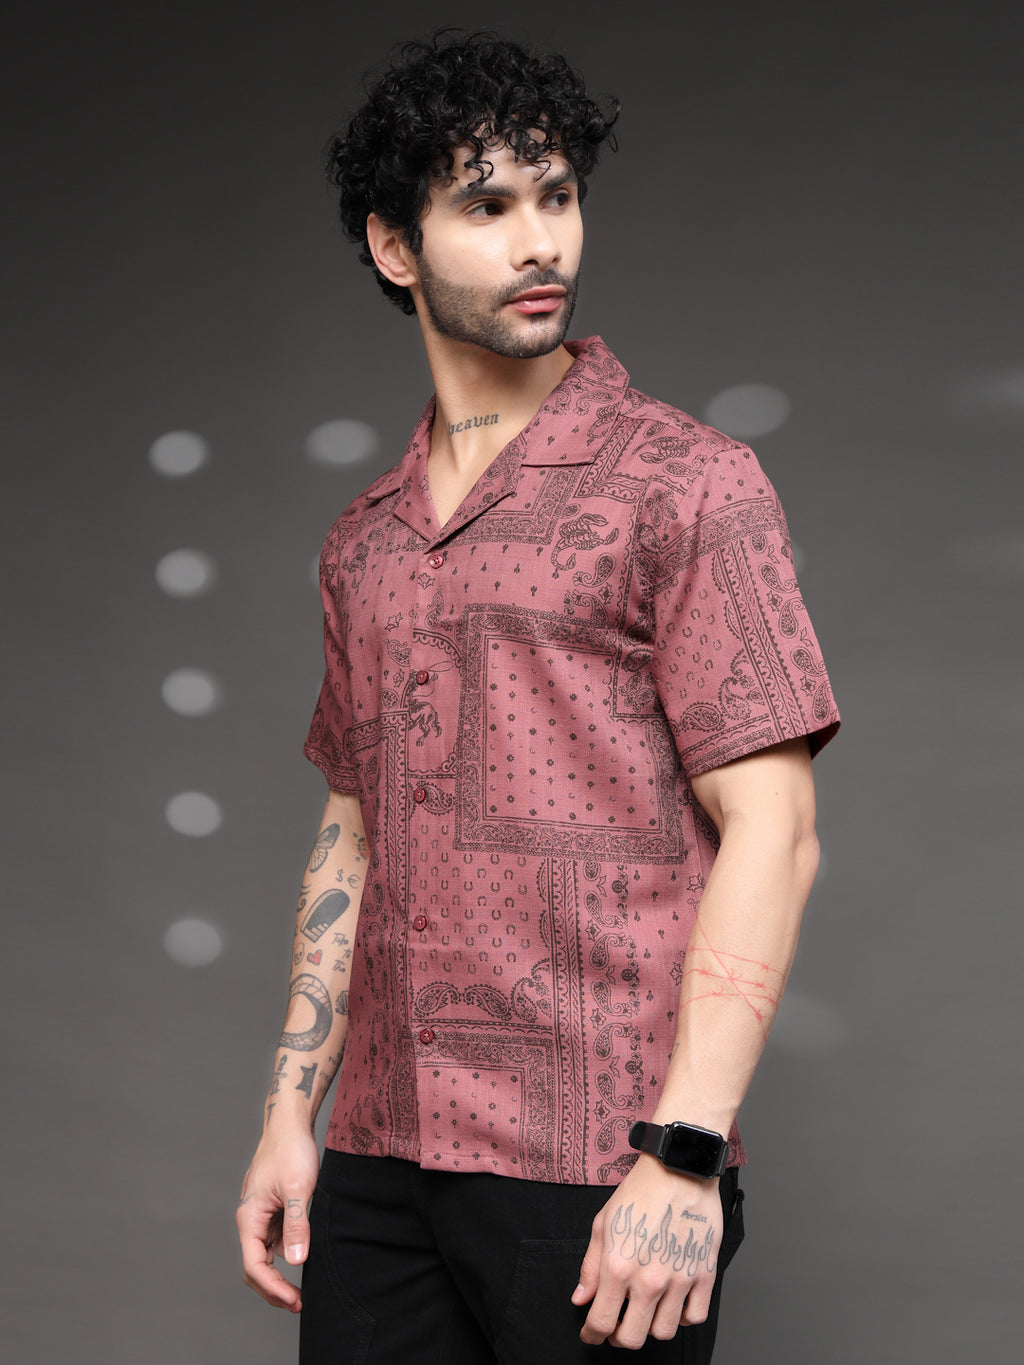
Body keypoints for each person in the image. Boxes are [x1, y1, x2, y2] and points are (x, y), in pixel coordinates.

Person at [236, 31, 840, 1364]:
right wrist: (290, 1111)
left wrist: (685, 1152)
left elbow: (776, 829)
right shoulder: (364, 538)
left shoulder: (688, 482)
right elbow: (354, 827)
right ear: (395, 247)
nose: (539, 241)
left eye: (557, 196)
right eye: (487, 205)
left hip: (601, 1160)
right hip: (382, 1158)